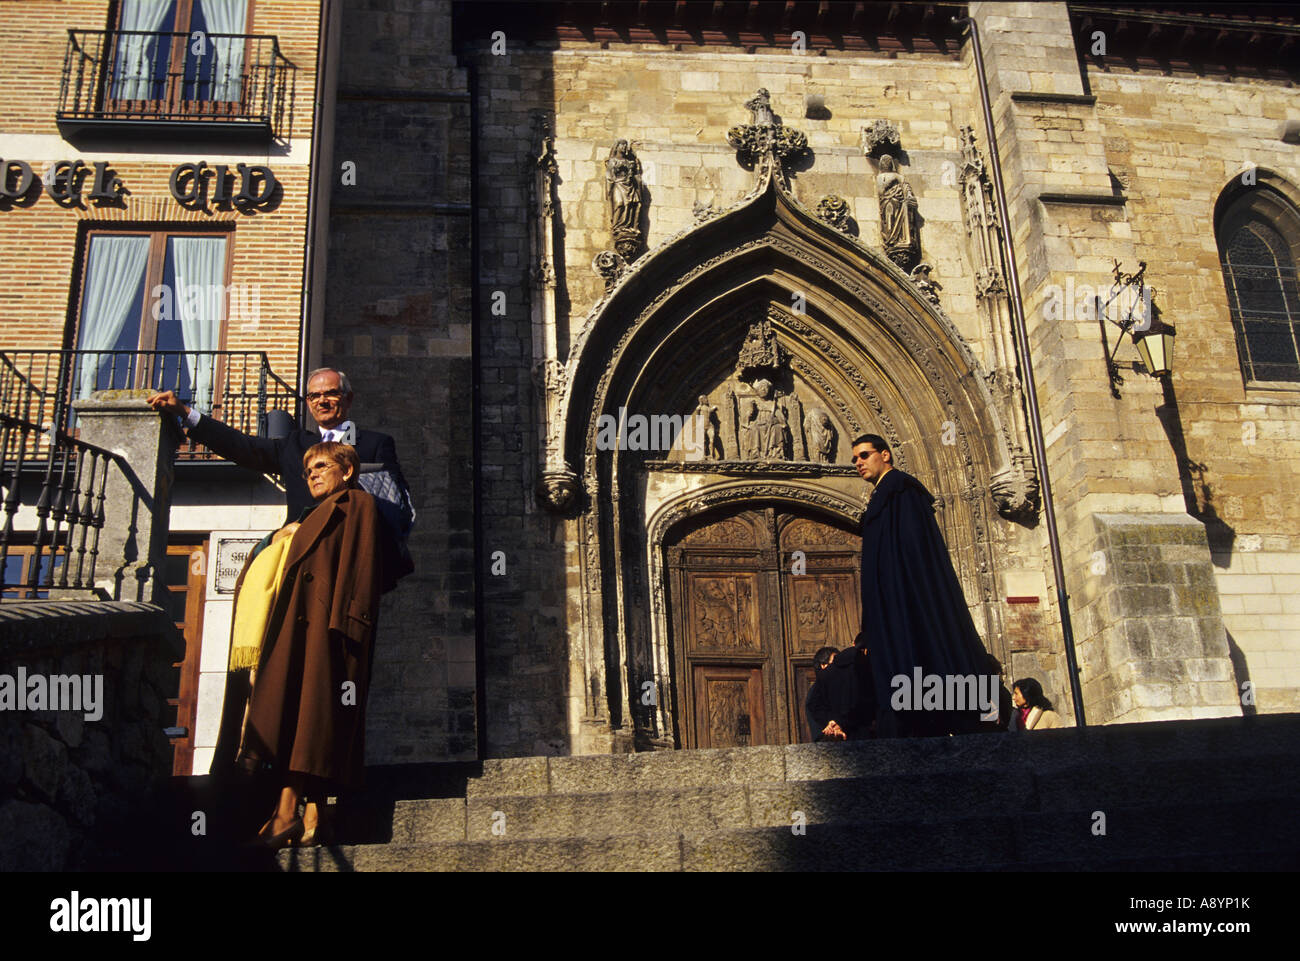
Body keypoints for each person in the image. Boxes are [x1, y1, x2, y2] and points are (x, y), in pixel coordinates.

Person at [233, 441, 408, 848]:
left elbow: (363, 567)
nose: (311, 473)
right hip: (299, 630)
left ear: (347, 472)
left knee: (313, 720)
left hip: (329, 631)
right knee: (299, 715)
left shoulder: (356, 504)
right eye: (308, 467)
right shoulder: (309, 516)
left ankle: (285, 813)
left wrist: (352, 625)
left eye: (322, 466)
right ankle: (313, 818)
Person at [852, 433, 990, 738]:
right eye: (855, 459)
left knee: (922, 649)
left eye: (864, 455)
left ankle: (939, 711)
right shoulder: (883, 494)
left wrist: (903, 591)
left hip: (906, 593)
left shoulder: (901, 490)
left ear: (885, 454)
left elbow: (915, 548)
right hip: (890, 598)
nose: (858, 463)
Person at [148, 367, 410, 525]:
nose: (322, 401)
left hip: (353, 553)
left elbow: (394, 504)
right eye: (314, 396)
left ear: (348, 399)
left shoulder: (375, 444)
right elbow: (241, 446)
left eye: (331, 393)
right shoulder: (294, 445)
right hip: (302, 548)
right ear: (308, 402)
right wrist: (186, 412)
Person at [804, 644, 872, 742]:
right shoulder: (815, 695)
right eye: (834, 664)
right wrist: (833, 727)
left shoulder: (847, 685)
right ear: (824, 666)